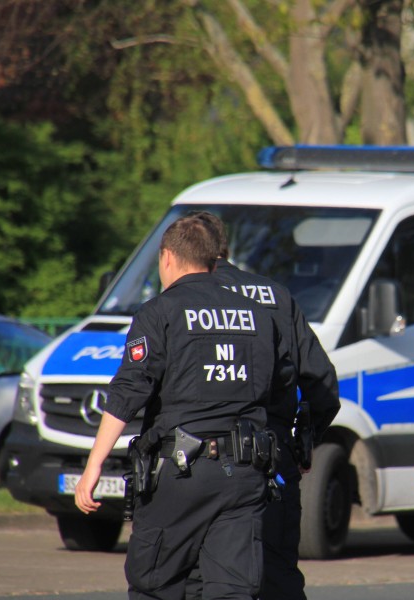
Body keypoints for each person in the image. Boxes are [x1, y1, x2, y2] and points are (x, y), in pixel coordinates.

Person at [74, 216, 288, 600]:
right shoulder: (258, 315)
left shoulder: (159, 312)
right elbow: (280, 385)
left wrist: (94, 466)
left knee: (157, 586)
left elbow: (129, 390)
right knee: (233, 591)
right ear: (214, 259)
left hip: (181, 475)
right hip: (243, 475)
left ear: (167, 258)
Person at [190, 210, 340, 600]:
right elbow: (321, 381)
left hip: (195, 463)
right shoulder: (275, 295)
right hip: (269, 456)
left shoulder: (181, 302)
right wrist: (305, 440)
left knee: (201, 578)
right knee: (276, 575)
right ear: (225, 247)